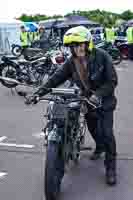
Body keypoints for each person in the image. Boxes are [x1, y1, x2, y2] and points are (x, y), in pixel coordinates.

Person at [25, 26, 118, 186]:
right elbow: (56, 78)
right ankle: (99, 146)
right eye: (73, 45)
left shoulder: (103, 56)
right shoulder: (71, 62)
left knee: (107, 133)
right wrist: (37, 93)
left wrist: (98, 95)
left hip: (104, 102)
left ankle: (110, 167)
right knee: (94, 129)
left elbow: (112, 81)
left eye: (80, 44)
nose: (77, 48)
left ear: (87, 43)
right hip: (86, 101)